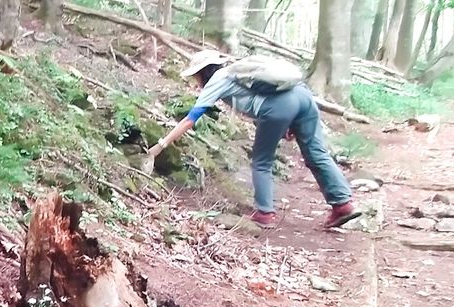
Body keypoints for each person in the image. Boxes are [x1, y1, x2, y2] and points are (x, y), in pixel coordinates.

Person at [146, 49, 361, 229]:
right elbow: (262, 100)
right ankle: (343, 204)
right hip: (303, 97)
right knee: (317, 152)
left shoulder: (218, 80)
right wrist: (286, 123)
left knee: (261, 161)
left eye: (196, 76)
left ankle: (264, 213)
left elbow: (190, 119)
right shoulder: (240, 72)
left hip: (281, 106)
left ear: (203, 72)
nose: (196, 81)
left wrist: (161, 145)